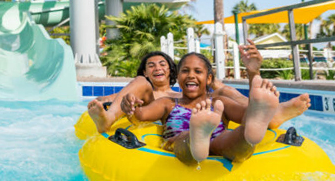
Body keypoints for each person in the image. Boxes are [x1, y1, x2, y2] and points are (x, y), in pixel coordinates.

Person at [87, 41, 310, 134]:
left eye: (163, 64)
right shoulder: (143, 87)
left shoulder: (179, 93)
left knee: (221, 90)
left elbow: (210, 86)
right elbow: (114, 98)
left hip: (204, 113)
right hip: (162, 119)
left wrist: (252, 72)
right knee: (139, 84)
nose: (157, 68)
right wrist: (108, 104)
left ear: (171, 70)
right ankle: (107, 121)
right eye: (151, 65)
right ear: (145, 71)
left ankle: (272, 113)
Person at [129, 53, 282, 164]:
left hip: (216, 143)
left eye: (197, 71)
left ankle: (250, 134)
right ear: (178, 77)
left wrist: (253, 73)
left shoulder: (219, 103)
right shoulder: (168, 103)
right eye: (185, 71)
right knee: (185, 138)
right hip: (182, 143)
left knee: (230, 137)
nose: (190, 75)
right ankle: (197, 135)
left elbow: (245, 116)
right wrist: (130, 105)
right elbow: (140, 115)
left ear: (209, 79)